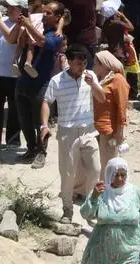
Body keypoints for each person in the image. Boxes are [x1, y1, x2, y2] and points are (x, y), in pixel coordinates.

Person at [42, 44, 102, 221]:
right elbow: (46, 102)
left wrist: (94, 85)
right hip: (67, 132)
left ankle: (91, 207)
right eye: (78, 64)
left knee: (95, 170)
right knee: (68, 174)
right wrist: (44, 125)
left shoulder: (90, 76)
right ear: (69, 62)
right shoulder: (57, 81)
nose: (82, 67)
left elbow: (102, 98)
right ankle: (67, 210)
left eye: (84, 63)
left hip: (89, 131)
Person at [16, 3, 65, 167]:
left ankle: (41, 153)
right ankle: (31, 149)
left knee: (41, 122)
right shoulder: (37, 25)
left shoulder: (56, 36)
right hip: (23, 81)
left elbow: (44, 42)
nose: (44, 15)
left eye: (49, 13)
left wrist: (28, 25)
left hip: (41, 83)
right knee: (24, 119)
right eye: (44, 12)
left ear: (58, 17)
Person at [80, 158, 140, 264]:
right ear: (109, 174)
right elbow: (85, 214)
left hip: (130, 249)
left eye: (123, 175)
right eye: (115, 175)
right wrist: (94, 198)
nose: (119, 178)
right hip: (102, 250)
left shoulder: (135, 192)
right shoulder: (101, 192)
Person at [0, 0, 26, 148]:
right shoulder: (3, 22)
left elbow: (10, 38)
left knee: (14, 109)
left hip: (13, 75)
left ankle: (13, 140)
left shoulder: (22, 25)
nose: (9, 9)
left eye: (13, 8)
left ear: (21, 10)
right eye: (9, 7)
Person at [91, 51, 130, 172]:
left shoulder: (117, 79)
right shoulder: (100, 79)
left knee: (107, 166)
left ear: (104, 65)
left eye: (95, 64)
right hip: (95, 128)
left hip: (109, 129)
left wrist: (119, 131)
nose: (93, 67)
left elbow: (122, 107)